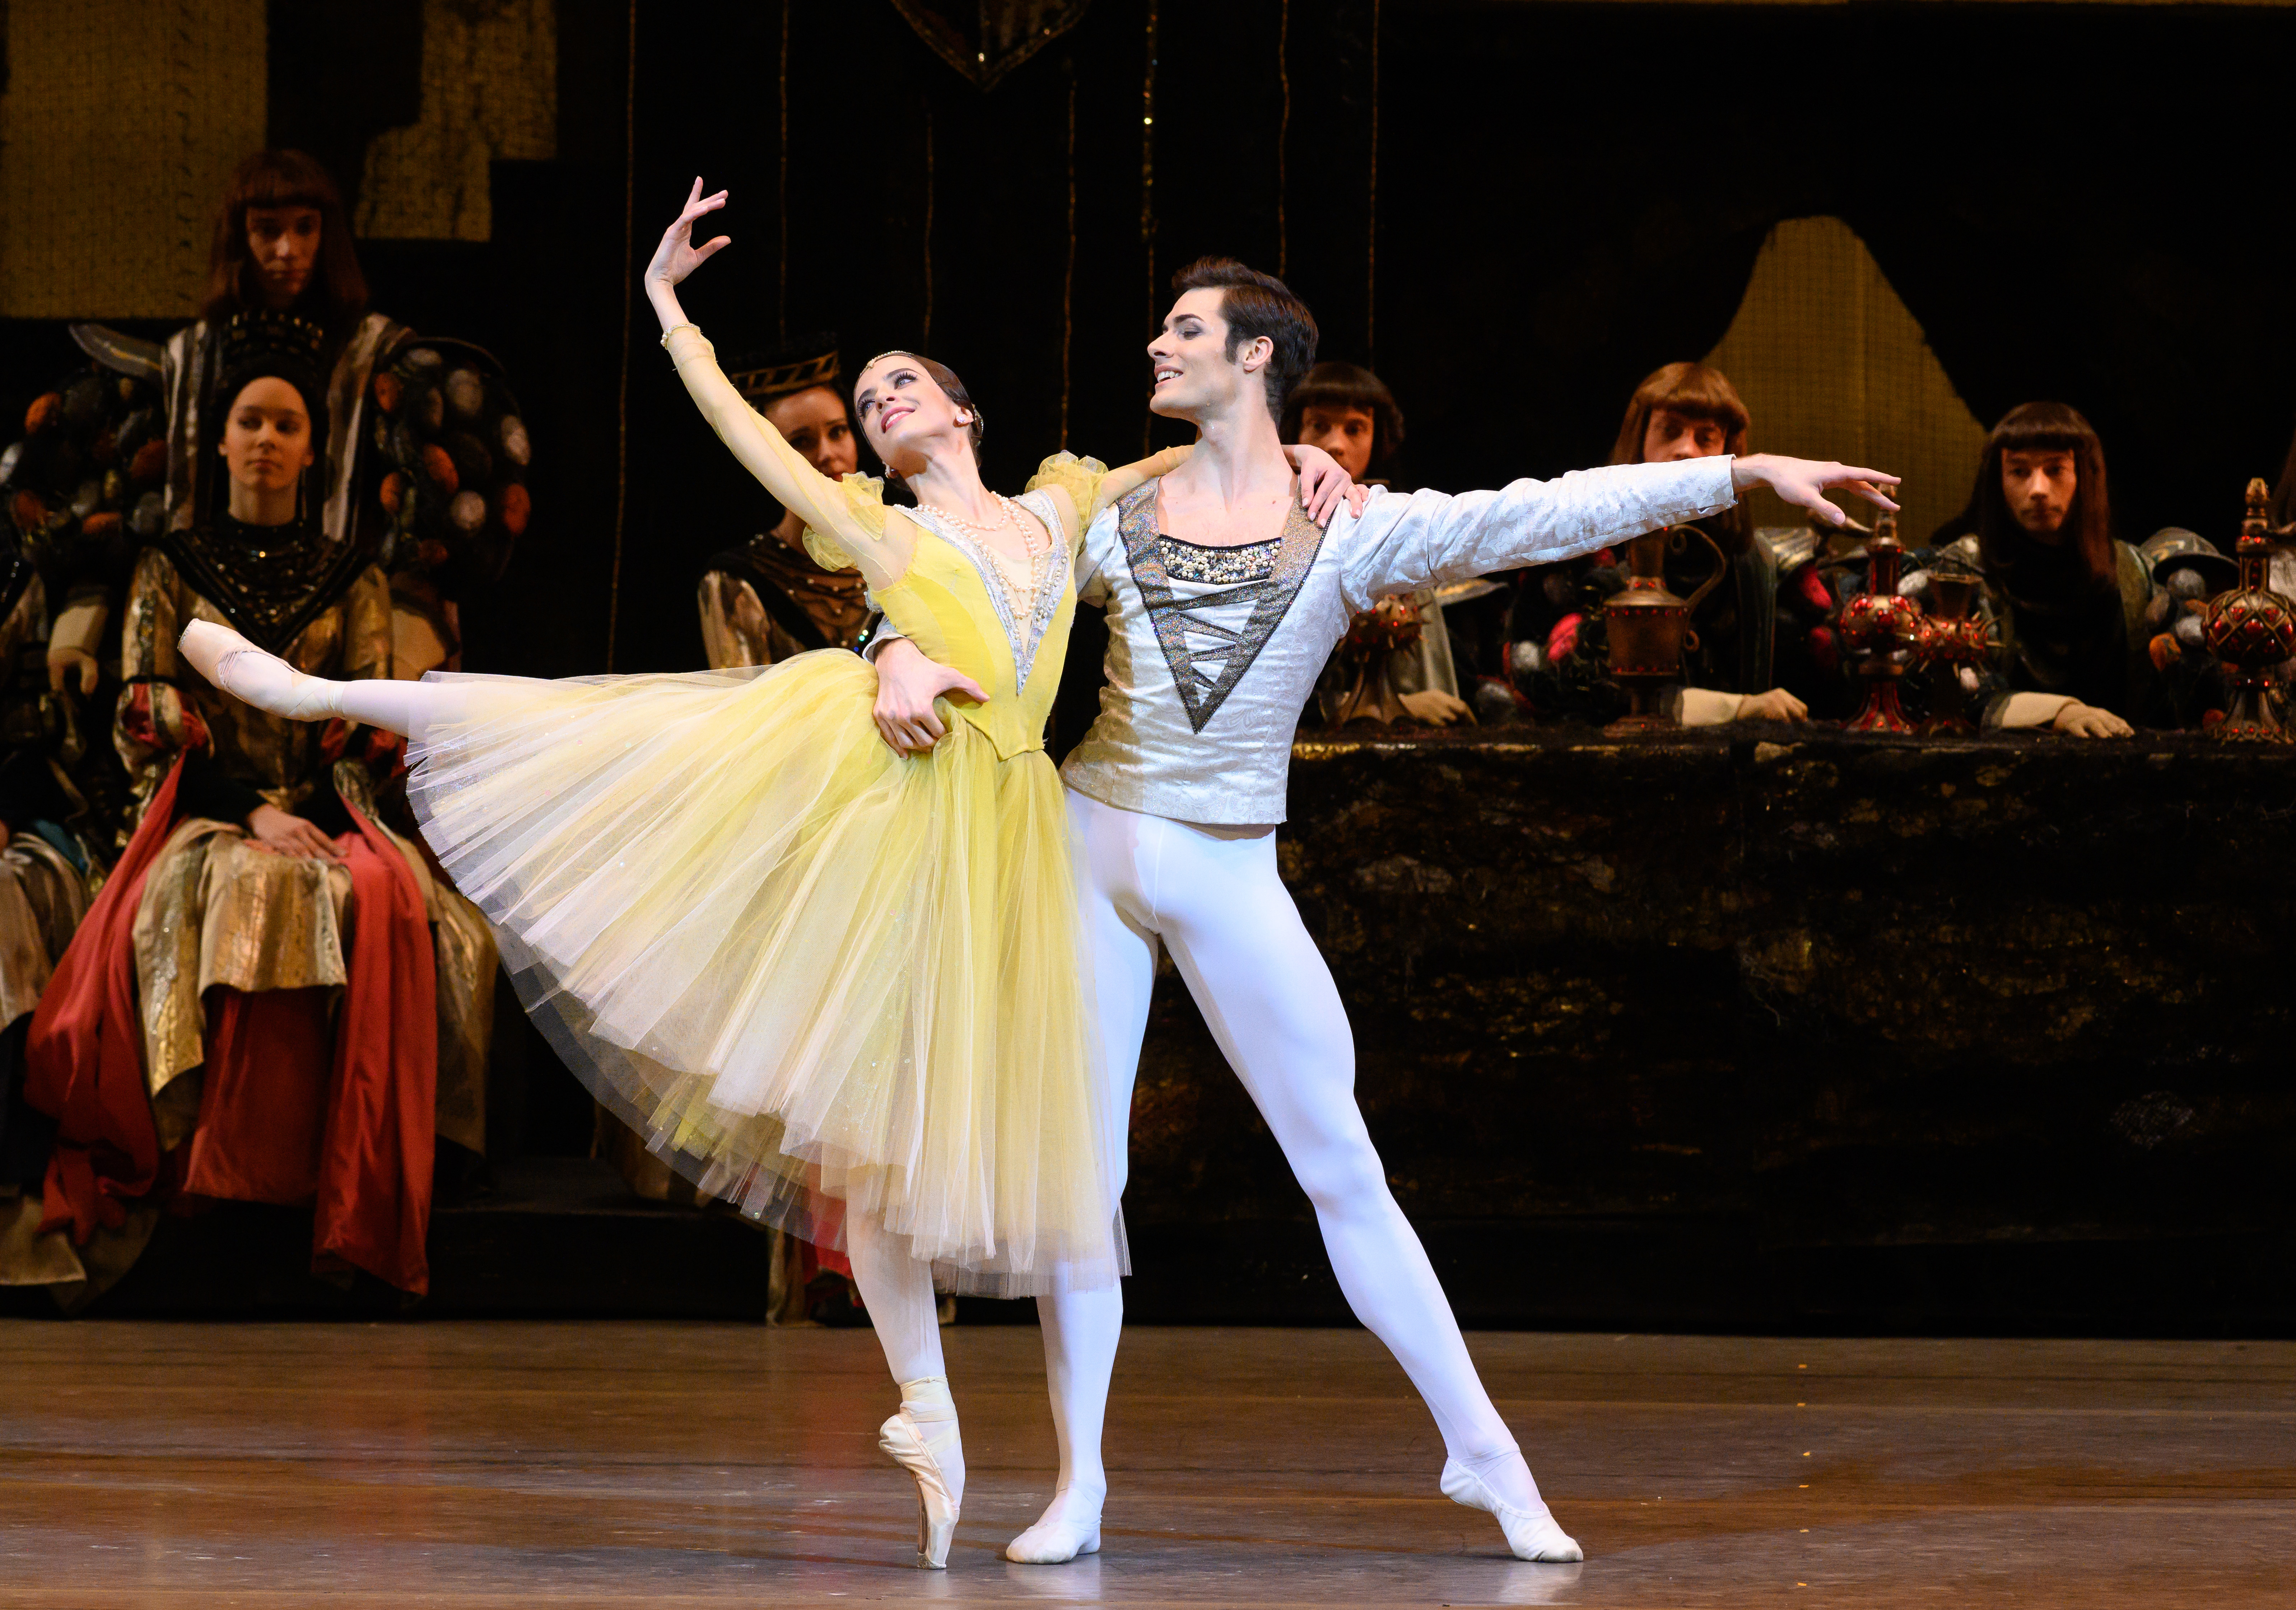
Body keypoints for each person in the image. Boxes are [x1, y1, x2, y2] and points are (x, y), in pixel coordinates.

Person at [167, 181, 1358, 1571]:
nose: (879, 403)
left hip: (1012, 843)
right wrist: (670, 312)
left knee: (928, 1152)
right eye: (866, 399)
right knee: (597, 730)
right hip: (888, 808)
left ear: (963, 411)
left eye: (901, 384)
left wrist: (1319, 471)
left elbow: (1212, 461)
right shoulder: (873, 527)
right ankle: (313, 690)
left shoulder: (1063, 498)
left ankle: (962, 1423)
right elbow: (744, 436)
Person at [875, 258, 1898, 1564]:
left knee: (1341, 1166)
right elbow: (958, 570)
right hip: (1085, 850)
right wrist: (893, 647)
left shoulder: (1350, 525)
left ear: (1255, 358)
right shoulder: (1107, 515)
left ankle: (1483, 1450)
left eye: (1185, 329)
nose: (1155, 343)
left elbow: (1539, 512)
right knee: (1090, 1182)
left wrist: (1738, 477)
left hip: (1229, 865)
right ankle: (1079, 1481)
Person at [20, 316, 494, 1305]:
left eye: (287, 424)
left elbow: (366, 715)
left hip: (331, 804)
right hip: (204, 808)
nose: (269, 440)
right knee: (251, 887)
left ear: (313, 448)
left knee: (415, 911)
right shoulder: (170, 567)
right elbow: (145, 710)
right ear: (222, 442)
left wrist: (317, 811)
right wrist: (249, 811)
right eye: (252, 422)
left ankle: (367, 1182)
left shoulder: (351, 572)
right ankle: (232, 1177)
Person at [1515, 362, 1808, 725]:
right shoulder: (1580, 551)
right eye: (1669, 432)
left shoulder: (1752, 562)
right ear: (1640, 439)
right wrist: (1737, 708)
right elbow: (1581, 693)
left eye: (1706, 438)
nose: (1685, 450)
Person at [1282, 362, 1472, 726]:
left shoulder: (1402, 527)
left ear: (1377, 437)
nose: (1335, 445)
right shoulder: (1267, 524)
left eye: (1355, 429)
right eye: (1319, 426)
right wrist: (1396, 705)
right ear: (1295, 431)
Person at [1962, 402, 2148, 735]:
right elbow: (1954, 690)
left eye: (2055, 470)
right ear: (1997, 480)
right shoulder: (1963, 571)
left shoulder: (2134, 573)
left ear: (2084, 475)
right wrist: (2060, 712)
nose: (2037, 490)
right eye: (2019, 472)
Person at [696, 334, 874, 665]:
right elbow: (749, 711)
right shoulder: (736, 581)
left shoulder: (901, 547)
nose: (827, 455)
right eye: (802, 441)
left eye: (837, 431)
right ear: (767, 456)